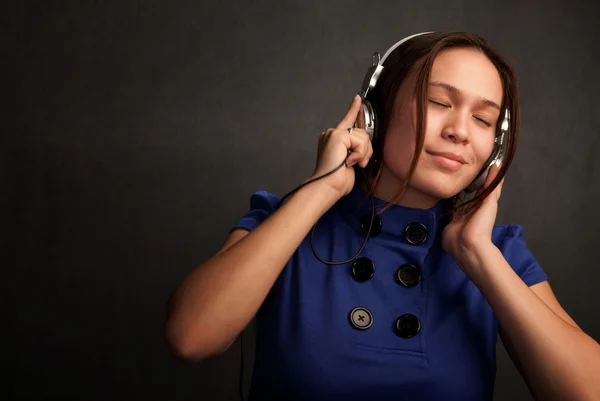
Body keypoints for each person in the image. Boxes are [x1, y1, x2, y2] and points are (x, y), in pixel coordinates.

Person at [164, 31, 600, 401]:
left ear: (496, 150)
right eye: (438, 101)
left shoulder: (498, 252)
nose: (460, 131)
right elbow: (191, 337)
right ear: (376, 111)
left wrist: (478, 256)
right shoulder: (288, 223)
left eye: (484, 120)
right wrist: (324, 188)